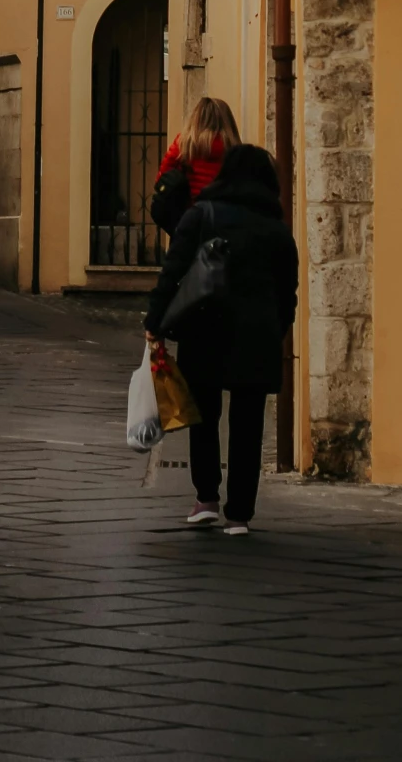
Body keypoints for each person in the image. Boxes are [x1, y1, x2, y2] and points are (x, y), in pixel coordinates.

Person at [144, 141, 298, 535]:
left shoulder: (201, 216)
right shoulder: (277, 230)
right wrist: (277, 330)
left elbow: (172, 270)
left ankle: (206, 498)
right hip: (257, 336)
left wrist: (155, 321)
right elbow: (288, 291)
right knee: (247, 423)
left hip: (204, 328)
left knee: (204, 416)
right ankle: (240, 514)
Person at [151, 96, 242, 232]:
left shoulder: (183, 145)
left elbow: (162, 180)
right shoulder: (234, 149)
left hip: (189, 219)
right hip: (224, 222)